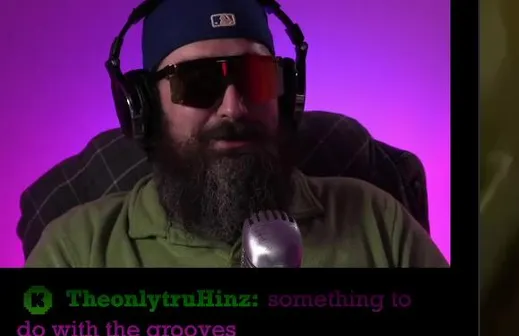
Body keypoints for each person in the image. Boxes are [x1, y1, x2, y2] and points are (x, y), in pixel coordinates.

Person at [27, 0, 446, 268]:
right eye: (197, 82)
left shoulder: (379, 222)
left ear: (287, 93)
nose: (233, 108)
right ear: (145, 106)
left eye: (255, 78)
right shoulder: (77, 250)